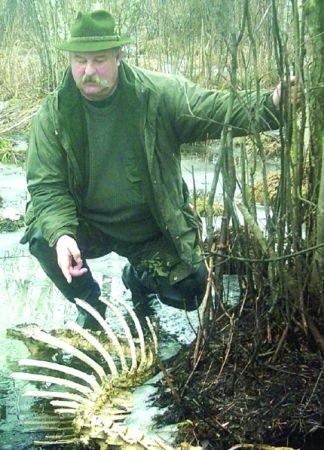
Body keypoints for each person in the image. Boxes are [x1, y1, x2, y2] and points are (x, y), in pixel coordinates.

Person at [20, 10, 282, 330]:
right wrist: (62, 236)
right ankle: (90, 304)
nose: (88, 70)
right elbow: (47, 187)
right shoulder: (54, 113)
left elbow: (213, 109)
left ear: (118, 56)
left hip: (150, 228)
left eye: (99, 59)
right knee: (41, 235)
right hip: (86, 226)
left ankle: (138, 278)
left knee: (189, 290)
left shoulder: (157, 95)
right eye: (79, 60)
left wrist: (272, 104)